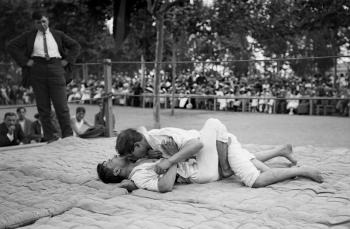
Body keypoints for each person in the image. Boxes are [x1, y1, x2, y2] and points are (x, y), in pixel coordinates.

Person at [97, 118, 323, 192]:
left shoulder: (158, 141)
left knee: (233, 150)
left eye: (129, 154)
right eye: (114, 159)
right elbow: (160, 182)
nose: (127, 157)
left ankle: (281, 151)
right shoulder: (141, 164)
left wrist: (173, 158)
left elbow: (190, 148)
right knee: (254, 178)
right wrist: (173, 161)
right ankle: (298, 169)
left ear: (137, 146)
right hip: (203, 164)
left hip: (203, 151)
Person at [6, 10, 81, 142]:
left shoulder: (58, 34)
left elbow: (75, 46)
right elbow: (12, 46)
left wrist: (67, 60)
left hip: (56, 68)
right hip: (37, 69)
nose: (42, 25)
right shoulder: (29, 36)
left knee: (61, 106)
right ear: (34, 24)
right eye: (38, 22)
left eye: (44, 21)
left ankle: (68, 136)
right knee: (43, 107)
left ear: (48, 20)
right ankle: (49, 136)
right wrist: (25, 61)